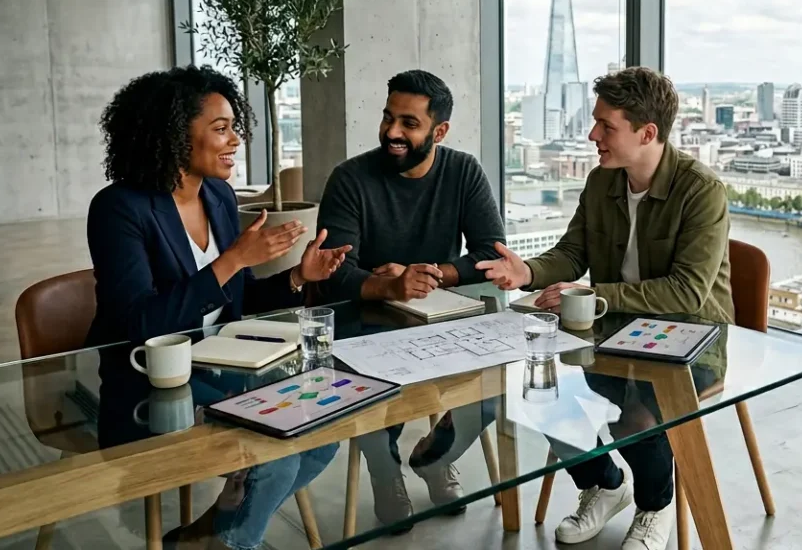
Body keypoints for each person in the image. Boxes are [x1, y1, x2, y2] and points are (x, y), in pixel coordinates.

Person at [86, 65, 351, 550]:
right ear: (174, 134)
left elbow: (238, 299)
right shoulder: (119, 208)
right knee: (276, 453)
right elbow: (139, 324)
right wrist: (230, 261)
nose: (235, 140)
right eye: (220, 128)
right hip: (150, 386)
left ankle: (210, 536)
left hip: (221, 369)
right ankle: (227, 541)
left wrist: (297, 276)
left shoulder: (219, 197)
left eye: (235, 126)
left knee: (322, 429)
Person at [477, 66, 733, 549]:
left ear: (647, 132)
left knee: (634, 417)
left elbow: (688, 292)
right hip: (610, 329)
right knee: (539, 390)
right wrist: (525, 272)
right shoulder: (601, 182)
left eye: (605, 125)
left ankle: (654, 507)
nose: (593, 134)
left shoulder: (701, 191)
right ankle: (605, 485)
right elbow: (573, 253)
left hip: (693, 337)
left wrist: (599, 298)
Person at [317, 69, 506, 527]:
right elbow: (330, 273)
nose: (392, 132)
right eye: (388, 118)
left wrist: (432, 274)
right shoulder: (350, 179)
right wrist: (390, 286)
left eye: (409, 123)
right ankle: (386, 477)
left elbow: (490, 252)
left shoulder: (463, 171)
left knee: (495, 388)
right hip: (363, 320)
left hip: (438, 314)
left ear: (439, 131)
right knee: (370, 393)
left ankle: (435, 458)